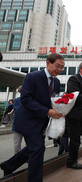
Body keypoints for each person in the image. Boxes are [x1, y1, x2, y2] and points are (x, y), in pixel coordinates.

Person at [0, 53, 64, 181]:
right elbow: (26, 100)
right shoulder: (32, 77)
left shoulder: (56, 82)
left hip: (42, 122)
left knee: (35, 147)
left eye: (62, 67)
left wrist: (60, 109)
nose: (60, 70)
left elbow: (52, 100)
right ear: (47, 63)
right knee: (37, 148)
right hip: (27, 121)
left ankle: (8, 165)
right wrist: (47, 111)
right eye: (57, 66)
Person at [12, 86, 23, 154]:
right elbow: (18, 111)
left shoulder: (32, 100)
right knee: (17, 144)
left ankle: (26, 158)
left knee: (30, 145)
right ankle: (17, 158)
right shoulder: (16, 100)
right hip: (18, 126)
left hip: (29, 126)